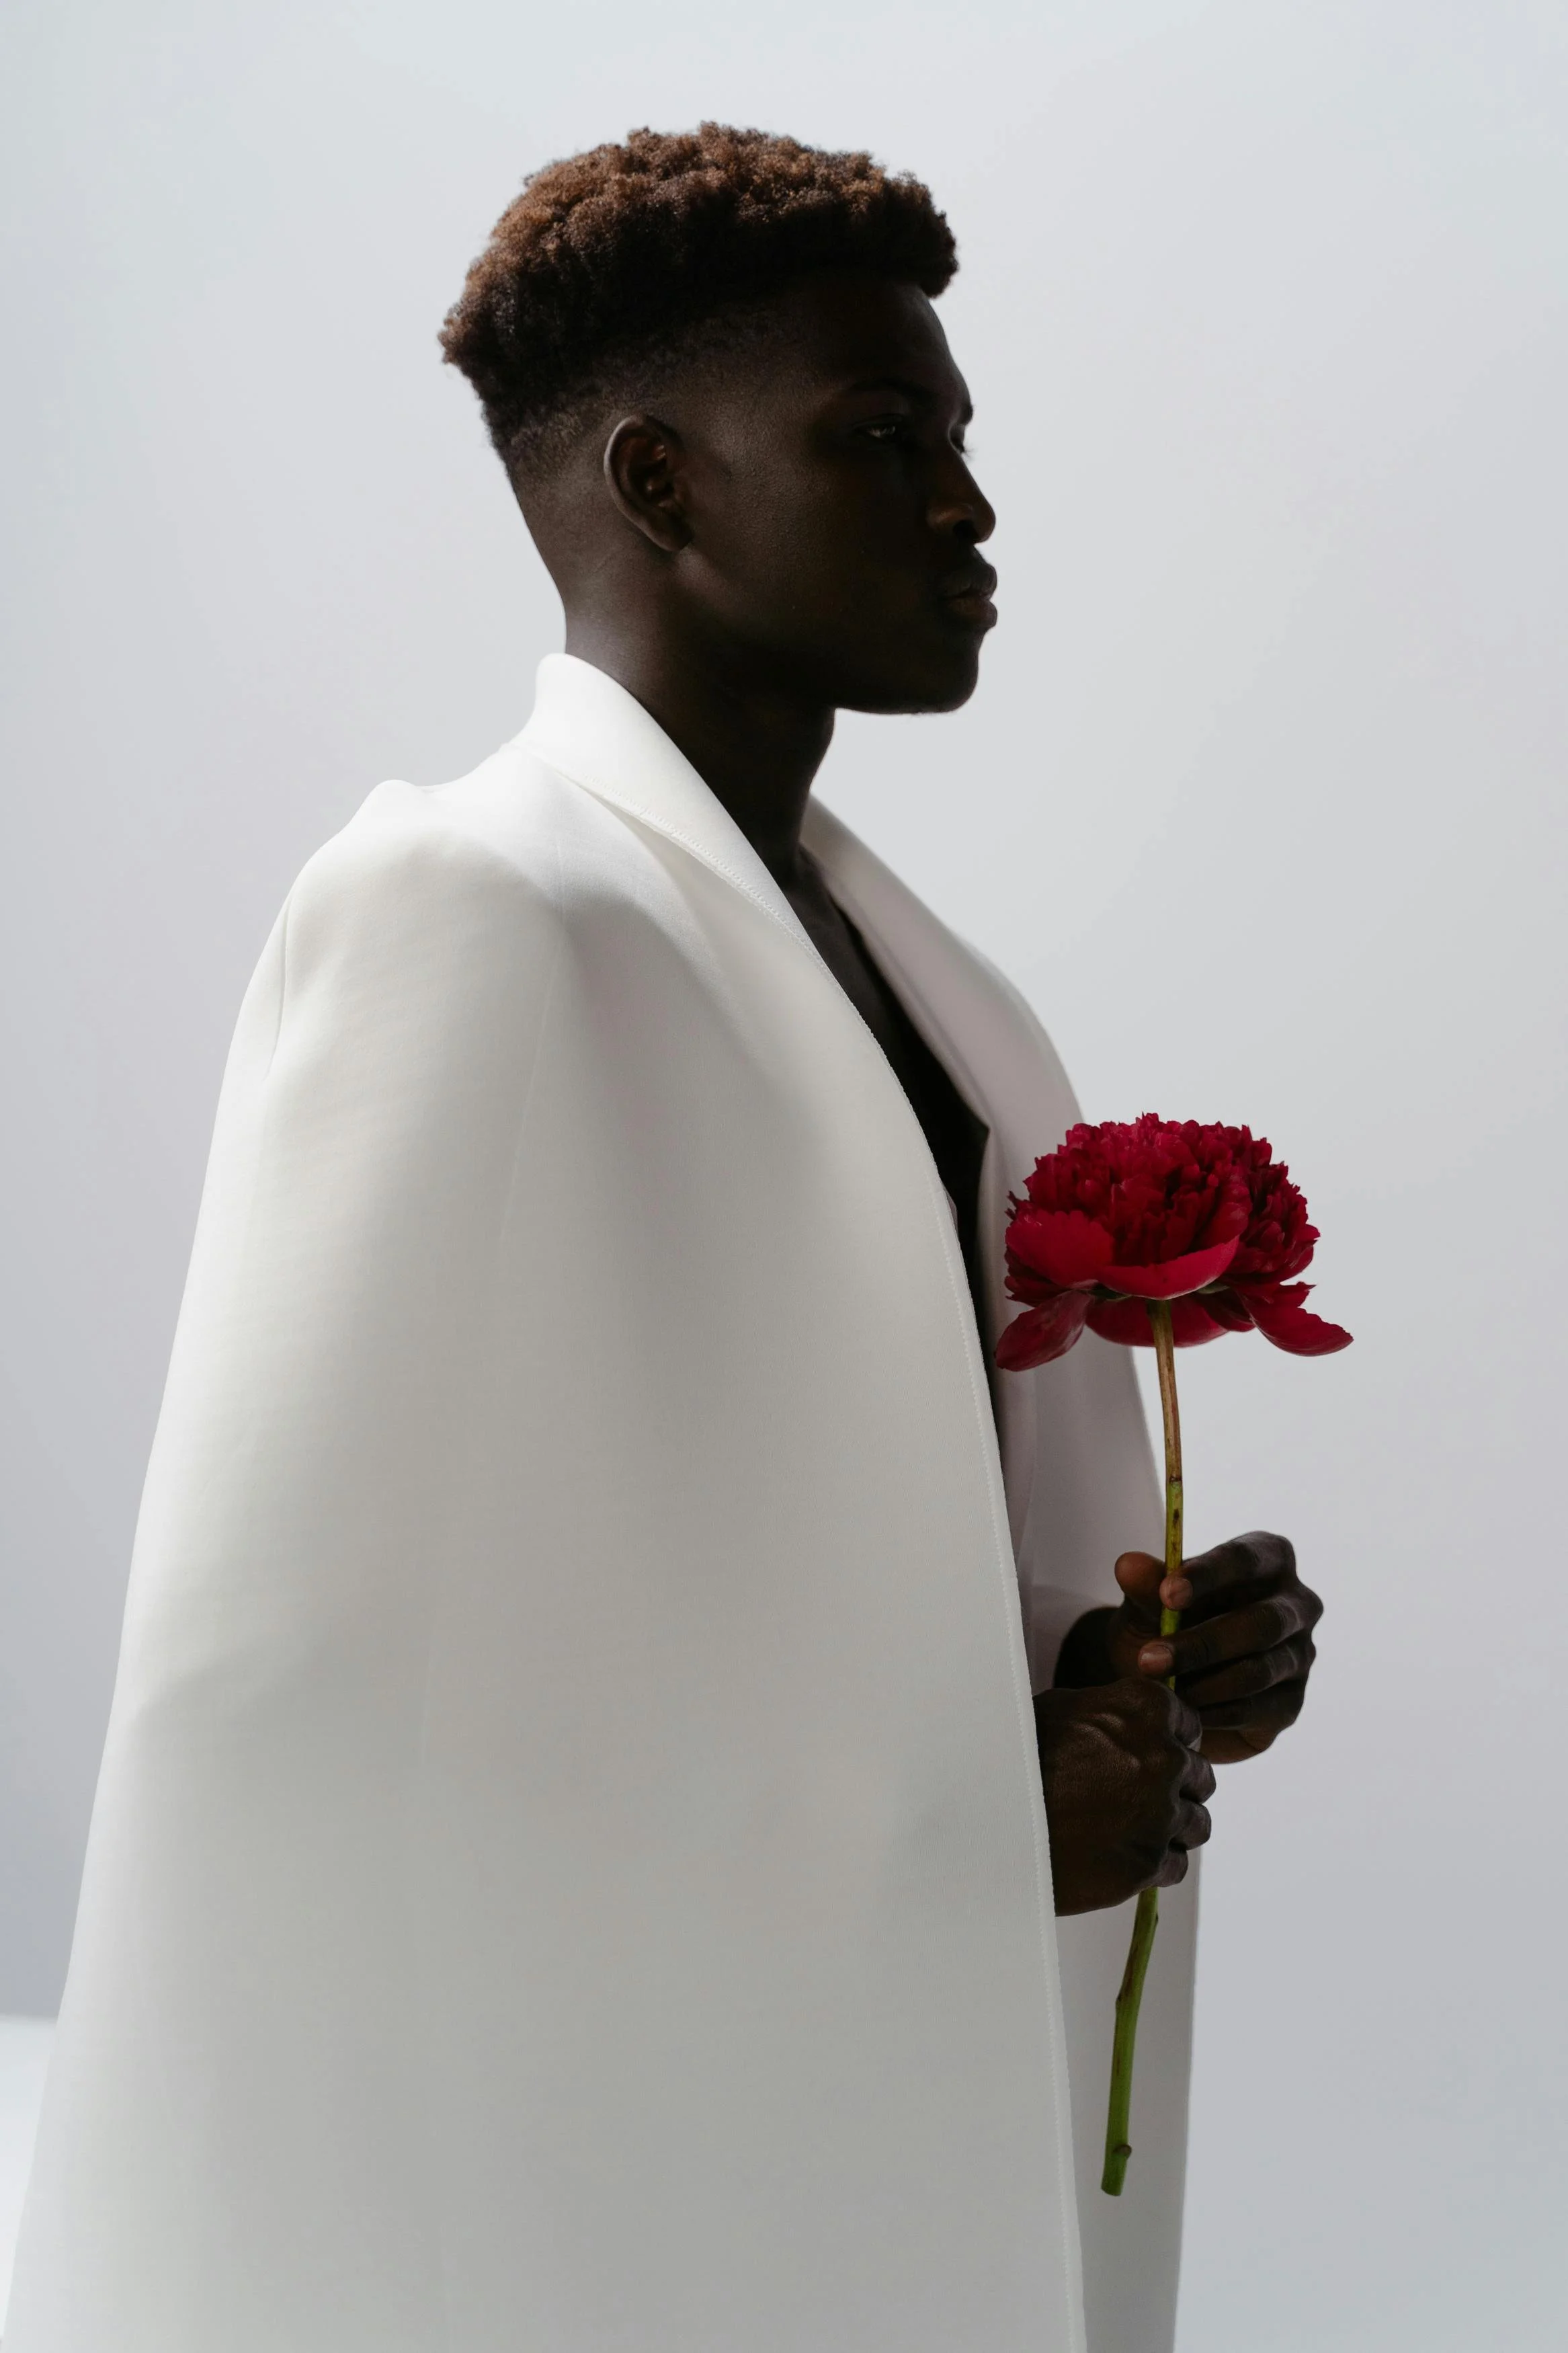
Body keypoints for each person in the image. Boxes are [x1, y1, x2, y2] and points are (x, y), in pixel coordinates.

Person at [7, 126, 1323, 2353]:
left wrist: (1100, 1662)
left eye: (959, 438)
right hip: (573, 2216)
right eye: (881, 436)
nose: (969, 507)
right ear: (657, 485)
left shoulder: (939, 985)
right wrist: (951, 1818)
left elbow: (758, 1520)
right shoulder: (459, 908)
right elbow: (289, 1702)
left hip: (866, 2144)